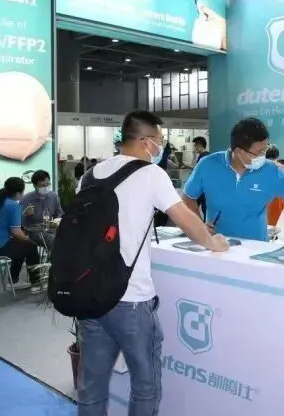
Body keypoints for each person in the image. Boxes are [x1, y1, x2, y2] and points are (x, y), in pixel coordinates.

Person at [77, 110, 228, 416]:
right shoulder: (150, 174)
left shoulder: (89, 175)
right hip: (131, 298)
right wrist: (214, 243)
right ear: (146, 141)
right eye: (160, 140)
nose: (161, 147)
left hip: (89, 294)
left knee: (92, 385)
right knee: (145, 385)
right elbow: (185, 218)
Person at [182, 117, 284, 240]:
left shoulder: (271, 171)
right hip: (217, 246)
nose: (263, 156)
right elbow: (188, 197)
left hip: (256, 249)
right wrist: (199, 226)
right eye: (259, 152)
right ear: (238, 151)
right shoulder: (208, 165)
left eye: (265, 150)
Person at [19, 170, 61, 248]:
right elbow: (17, 221)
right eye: (42, 186)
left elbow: (59, 213)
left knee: (67, 237)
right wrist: (25, 213)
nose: (45, 187)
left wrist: (58, 221)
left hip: (50, 228)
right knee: (53, 240)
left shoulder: (53, 196)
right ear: (34, 186)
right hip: (34, 231)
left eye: (47, 184)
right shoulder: (26, 198)